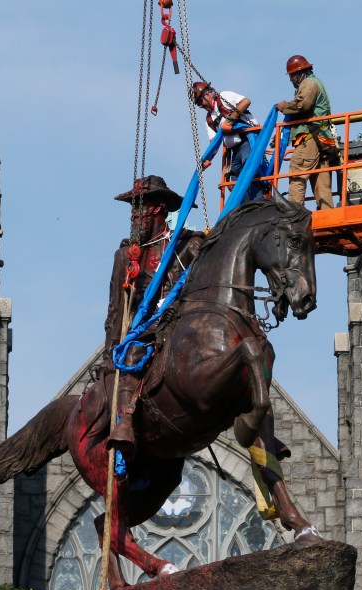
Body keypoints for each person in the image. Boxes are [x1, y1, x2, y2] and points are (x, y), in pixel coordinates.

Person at [104, 175, 203, 458]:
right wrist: (108, 356)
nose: (134, 217)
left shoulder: (188, 245)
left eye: (139, 208)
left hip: (183, 324)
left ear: (158, 209)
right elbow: (115, 312)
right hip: (145, 332)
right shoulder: (126, 256)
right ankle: (124, 423)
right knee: (133, 357)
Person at [276, 54, 337, 210]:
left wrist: (284, 106)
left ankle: (293, 216)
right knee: (321, 181)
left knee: (297, 174)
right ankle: (327, 216)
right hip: (320, 140)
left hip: (311, 139)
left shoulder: (309, 83)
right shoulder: (314, 82)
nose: (291, 80)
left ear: (301, 72)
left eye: (292, 76)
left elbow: (302, 105)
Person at [192, 81, 265, 201]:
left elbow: (246, 101)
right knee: (234, 181)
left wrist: (230, 120)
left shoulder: (224, 97)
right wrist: (207, 159)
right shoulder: (210, 119)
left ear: (208, 94)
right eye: (198, 104)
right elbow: (214, 143)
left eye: (200, 101)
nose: (200, 106)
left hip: (248, 140)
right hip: (235, 150)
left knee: (249, 166)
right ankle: (247, 208)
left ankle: (259, 202)